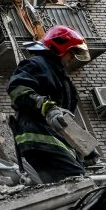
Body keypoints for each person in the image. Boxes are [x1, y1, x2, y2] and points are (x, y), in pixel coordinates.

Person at [7, 25, 90, 184]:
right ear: (59, 47)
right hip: (39, 137)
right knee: (75, 180)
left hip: (56, 140)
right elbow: (17, 89)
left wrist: (86, 151)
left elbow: (64, 119)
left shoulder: (61, 77)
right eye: (71, 52)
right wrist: (46, 106)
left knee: (75, 179)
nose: (72, 57)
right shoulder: (37, 64)